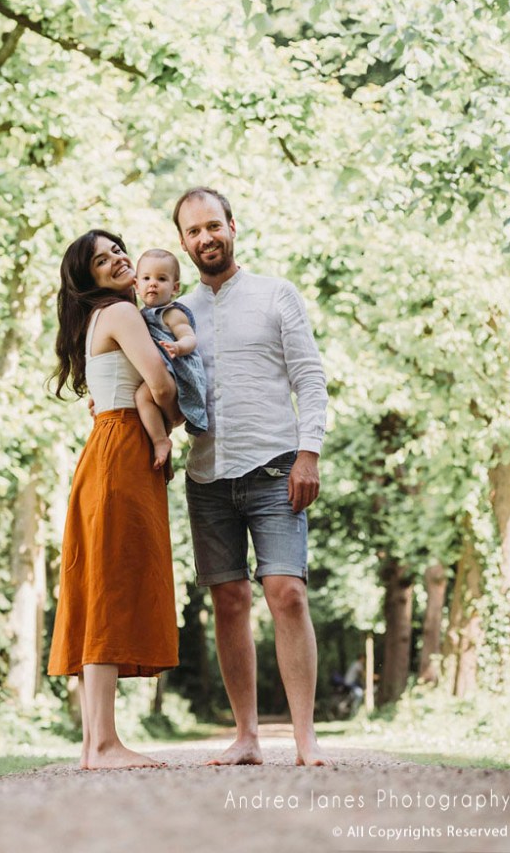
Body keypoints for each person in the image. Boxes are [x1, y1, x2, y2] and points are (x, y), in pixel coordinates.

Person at [173, 186, 330, 767]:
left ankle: (305, 738)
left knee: (286, 594)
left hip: (275, 468)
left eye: (213, 226)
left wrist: (308, 452)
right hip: (207, 475)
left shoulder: (275, 295)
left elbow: (309, 378)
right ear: (183, 242)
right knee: (230, 602)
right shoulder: (177, 310)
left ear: (232, 227)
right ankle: (246, 738)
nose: (205, 238)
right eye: (193, 231)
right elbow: (165, 390)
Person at [47, 229, 180, 770]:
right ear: (90, 279)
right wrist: (167, 424)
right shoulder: (122, 315)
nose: (117, 260)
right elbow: (163, 386)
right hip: (123, 448)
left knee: (100, 583)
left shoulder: (101, 319)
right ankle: (103, 745)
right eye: (102, 261)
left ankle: (95, 743)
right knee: (109, 585)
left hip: (105, 445)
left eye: (117, 249)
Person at [134, 248, 208, 474]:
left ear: (175, 288)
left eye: (161, 279)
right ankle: (161, 450)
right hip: (164, 371)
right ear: (136, 285)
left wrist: (178, 346)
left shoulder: (172, 313)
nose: (153, 284)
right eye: (146, 278)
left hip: (180, 370)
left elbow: (189, 338)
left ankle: (161, 441)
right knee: (146, 401)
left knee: (143, 396)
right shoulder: (137, 314)